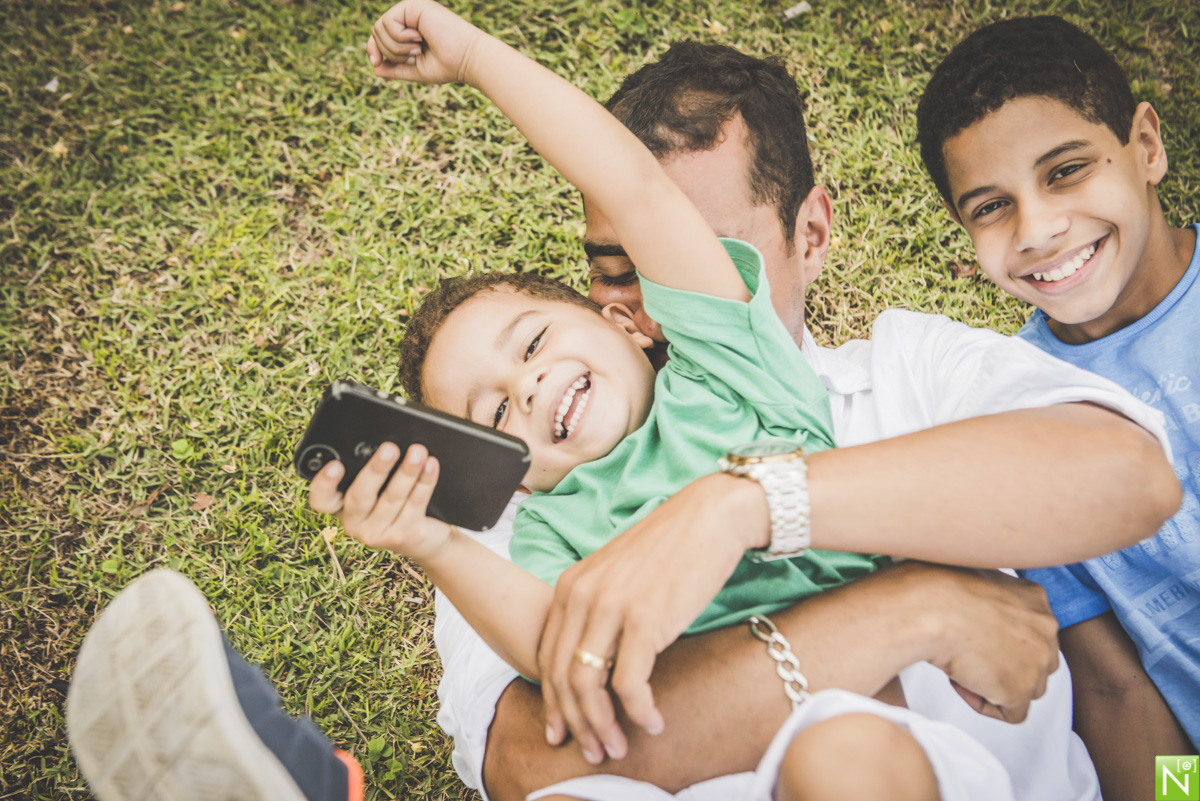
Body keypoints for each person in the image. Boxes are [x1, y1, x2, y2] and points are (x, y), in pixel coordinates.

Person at [313, 8, 1178, 801]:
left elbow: (1126, 513)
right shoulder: (522, 521)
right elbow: (537, 736)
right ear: (610, 309)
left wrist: (474, 55)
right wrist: (427, 540)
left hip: (881, 759)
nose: (528, 387)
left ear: (811, 233)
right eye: (618, 270)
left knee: (838, 755)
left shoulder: (765, 369)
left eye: (535, 346)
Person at [916, 15, 1199, 799]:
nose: (1038, 229)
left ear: (1145, 146)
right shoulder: (1016, 411)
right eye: (990, 206)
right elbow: (1122, 689)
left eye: (1067, 171)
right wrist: (1184, 794)